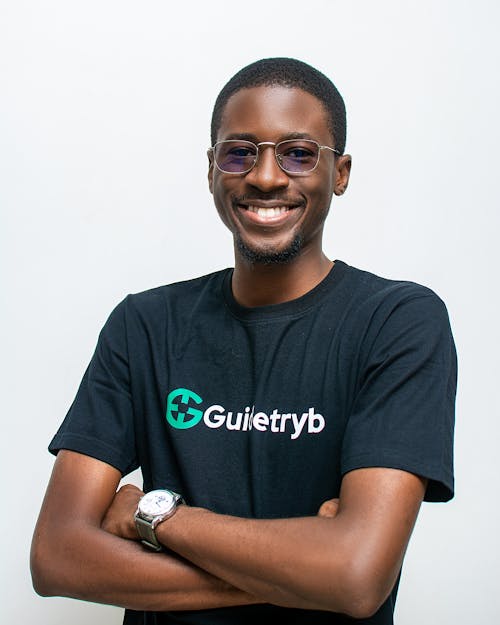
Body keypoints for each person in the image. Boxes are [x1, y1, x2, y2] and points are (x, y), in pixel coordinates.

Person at [30, 57, 457, 625]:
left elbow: (357, 578)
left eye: (299, 153)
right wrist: (310, 574)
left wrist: (154, 517)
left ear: (342, 173)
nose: (266, 176)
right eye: (239, 152)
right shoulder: (145, 325)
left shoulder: (398, 322)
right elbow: (57, 558)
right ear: (212, 169)